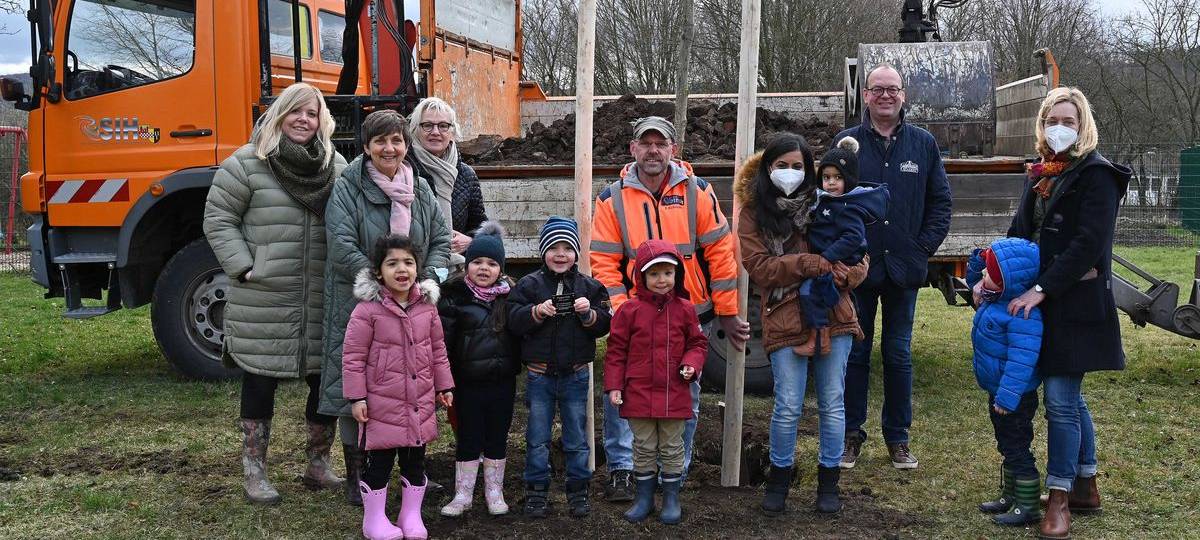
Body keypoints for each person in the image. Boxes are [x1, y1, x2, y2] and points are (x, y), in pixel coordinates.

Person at [203, 82, 348, 505]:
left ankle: (318, 464)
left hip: (321, 293)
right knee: (260, 379)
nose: (304, 119)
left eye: (312, 113)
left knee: (324, 381)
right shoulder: (248, 163)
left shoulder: (336, 166)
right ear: (280, 114)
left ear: (322, 120)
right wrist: (245, 266)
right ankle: (255, 471)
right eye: (295, 111)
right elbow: (218, 218)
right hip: (264, 292)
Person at [591, 115, 749, 501]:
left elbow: (721, 253)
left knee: (684, 393)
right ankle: (623, 469)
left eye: (660, 144)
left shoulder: (697, 191)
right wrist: (622, 312)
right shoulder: (612, 199)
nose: (653, 151)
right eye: (645, 143)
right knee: (623, 392)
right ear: (633, 149)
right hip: (635, 317)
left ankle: (673, 471)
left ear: (673, 150)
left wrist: (728, 311)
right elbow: (604, 262)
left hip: (688, 315)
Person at [1001, 86, 1131, 540]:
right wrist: (993, 273)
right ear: (1042, 125)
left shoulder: (1097, 175)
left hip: (1075, 302)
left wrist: (1041, 288)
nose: (1060, 128)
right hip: (1040, 299)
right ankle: (1086, 484)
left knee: (1059, 399)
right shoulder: (1039, 173)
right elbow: (1019, 233)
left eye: (1069, 121)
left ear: (1083, 126)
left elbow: (1088, 244)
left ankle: (1059, 496)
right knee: (1071, 399)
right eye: (1052, 120)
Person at [320, 109, 452, 506]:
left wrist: (429, 279)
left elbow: (441, 240)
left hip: (412, 305)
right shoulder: (349, 187)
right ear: (366, 146)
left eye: (396, 140)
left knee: (409, 383)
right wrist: (378, 281)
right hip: (361, 301)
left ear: (406, 145)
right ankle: (357, 474)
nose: (389, 148)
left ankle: (414, 472)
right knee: (358, 384)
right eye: (380, 141)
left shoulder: (421, 189)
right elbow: (340, 241)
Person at [735, 133, 869, 515]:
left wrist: (847, 274)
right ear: (768, 168)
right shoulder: (754, 212)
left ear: (809, 170)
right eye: (782, 165)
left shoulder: (827, 201)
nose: (790, 173)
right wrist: (810, 264)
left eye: (798, 166)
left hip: (834, 313)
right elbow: (760, 267)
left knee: (832, 402)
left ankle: (829, 483)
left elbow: (861, 255)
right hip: (784, 317)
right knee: (788, 405)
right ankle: (778, 481)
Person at [837, 63, 953, 470]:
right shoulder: (848, 143)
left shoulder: (923, 144)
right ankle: (851, 435)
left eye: (893, 89)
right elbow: (831, 200)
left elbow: (941, 203)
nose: (885, 95)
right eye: (877, 89)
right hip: (860, 269)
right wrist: (845, 253)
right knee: (855, 353)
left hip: (904, 269)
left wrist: (921, 250)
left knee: (898, 354)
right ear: (866, 96)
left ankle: (898, 438)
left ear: (903, 95)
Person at [343, 235, 454, 540]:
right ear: (379, 272)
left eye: (408, 262)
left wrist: (444, 385)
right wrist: (357, 397)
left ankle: (410, 515)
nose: (401, 269)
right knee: (379, 464)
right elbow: (353, 357)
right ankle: (374, 520)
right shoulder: (367, 310)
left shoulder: (427, 308)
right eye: (392, 263)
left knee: (415, 461)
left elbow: (438, 349)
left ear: (417, 268)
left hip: (418, 402)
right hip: (381, 404)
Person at [508, 216, 613, 518]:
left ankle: (578, 492)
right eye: (554, 247)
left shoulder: (590, 287)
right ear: (543, 251)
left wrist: (589, 314)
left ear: (576, 253)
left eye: (567, 248)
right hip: (539, 375)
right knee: (537, 437)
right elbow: (513, 320)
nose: (560, 254)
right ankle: (536, 492)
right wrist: (536, 311)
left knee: (577, 438)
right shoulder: (529, 285)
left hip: (576, 375)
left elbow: (605, 324)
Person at [603, 240, 708, 525]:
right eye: (654, 274)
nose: (662, 280)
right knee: (643, 446)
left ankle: (671, 498)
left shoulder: (686, 309)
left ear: (677, 275)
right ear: (641, 276)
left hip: (674, 392)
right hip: (639, 392)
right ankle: (644, 498)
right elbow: (616, 351)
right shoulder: (628, 311)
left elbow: (698, 343)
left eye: (668, 273)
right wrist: (615, 386)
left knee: (673, 446)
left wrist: (691, 363)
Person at [436, 221, 519, 517]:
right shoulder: (454, 298)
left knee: (497, 434)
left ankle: (494, 490)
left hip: (502, 382)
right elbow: (443, 343)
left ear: (501, 269)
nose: (484, 268)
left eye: (492, 263)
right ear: (467, 265)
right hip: (467, 383)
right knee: (469, 435)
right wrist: (444, 381)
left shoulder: (511, 298)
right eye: (477, 262)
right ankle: (463, 493)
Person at [967, 238, 1044, 527]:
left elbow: (1021, 363)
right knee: (1006, 443)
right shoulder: (994, 298)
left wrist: (1008, 397)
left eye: (989, 273)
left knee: (1017, 446)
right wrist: (982, 257)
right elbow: (974, 278)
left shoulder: (1022, 314)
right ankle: (1011, 494)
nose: (983, 276)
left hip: (1014, 397)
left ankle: (1028, 506)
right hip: (998, 391)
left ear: (1007, 282)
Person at [800, 136, 889, 331]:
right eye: (826, 177)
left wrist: (827, 256)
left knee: (808, 291)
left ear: (848, 179)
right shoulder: (824, 201)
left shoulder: (848, 208)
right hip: (825, 259)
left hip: (837, 261)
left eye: (838, 177)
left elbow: (853, 237)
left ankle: (819, 332)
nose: (831, 183)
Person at [406, 97, 489, 256]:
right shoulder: (404, 170)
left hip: (456, 264)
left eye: (443, 126)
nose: (435, 132)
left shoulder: (466, 175)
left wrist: (471, 241)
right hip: (413, 263)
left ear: (452, 131)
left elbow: (480, 225)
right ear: (415, 129)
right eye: (427, 125)